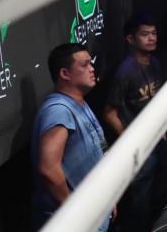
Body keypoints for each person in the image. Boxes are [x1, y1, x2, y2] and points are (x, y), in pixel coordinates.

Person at [32, 43, 113, 230]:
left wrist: (107, 198)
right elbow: (49, 169)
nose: (92, 69)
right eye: (84, 65)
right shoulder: (58, 111)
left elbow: (99, 147)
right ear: (65, 74)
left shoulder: (79, 102)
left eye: (91, 63)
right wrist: (74, 213)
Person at [103, 13, 164, 231]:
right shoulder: (125, 72)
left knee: (157, 195)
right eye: (145, 34)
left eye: (154, 33)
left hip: (158, 140)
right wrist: (128, 138)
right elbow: (109, 112)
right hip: (139, 147)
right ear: (130, 39)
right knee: (140, 203)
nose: (152, 38)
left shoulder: (155, 63)